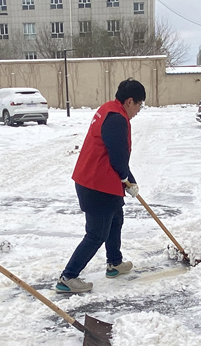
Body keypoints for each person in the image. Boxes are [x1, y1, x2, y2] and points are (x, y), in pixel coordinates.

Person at [55, 78, 146, 294]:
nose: (139, 110)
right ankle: (68, 277)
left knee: (116, 219)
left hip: (99, 178)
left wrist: (128, 180)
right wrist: (126, 178)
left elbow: (117, 157)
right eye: (139, 105)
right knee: (96, 234)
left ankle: (114, 263)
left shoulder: (109, 109)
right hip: (97, 184)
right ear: (129, 101)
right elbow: (117, 157)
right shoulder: (116, 119)